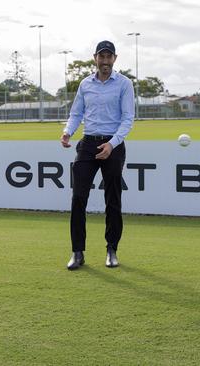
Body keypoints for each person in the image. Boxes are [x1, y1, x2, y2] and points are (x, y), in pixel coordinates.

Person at [60, 40, 135, 270]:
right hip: (88, 143)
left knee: (113, 199)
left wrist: (111, 145)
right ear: (95, 58)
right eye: (101, 57)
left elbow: (127, 119)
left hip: (113, 145)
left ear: (114, 58)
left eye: (108, 57)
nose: (105, 61)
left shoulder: (124, 84)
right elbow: (76, 113)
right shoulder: (85, 84)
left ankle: (112, 249)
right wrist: (67, 132)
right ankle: (77, 252)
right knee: (78, 199)